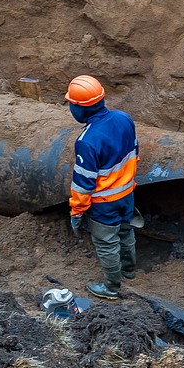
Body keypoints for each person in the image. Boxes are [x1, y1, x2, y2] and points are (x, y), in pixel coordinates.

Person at [65, 74, 140, 300]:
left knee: (107, 243)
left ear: (80, 108)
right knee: (126, 232)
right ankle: (129, 271)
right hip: (127, 194)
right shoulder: (123, 118)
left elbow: (83, 183)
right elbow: (135, 153)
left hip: (104, 203)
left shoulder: (87, 140)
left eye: (71, 104)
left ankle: (111, 288)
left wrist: (76, 211)